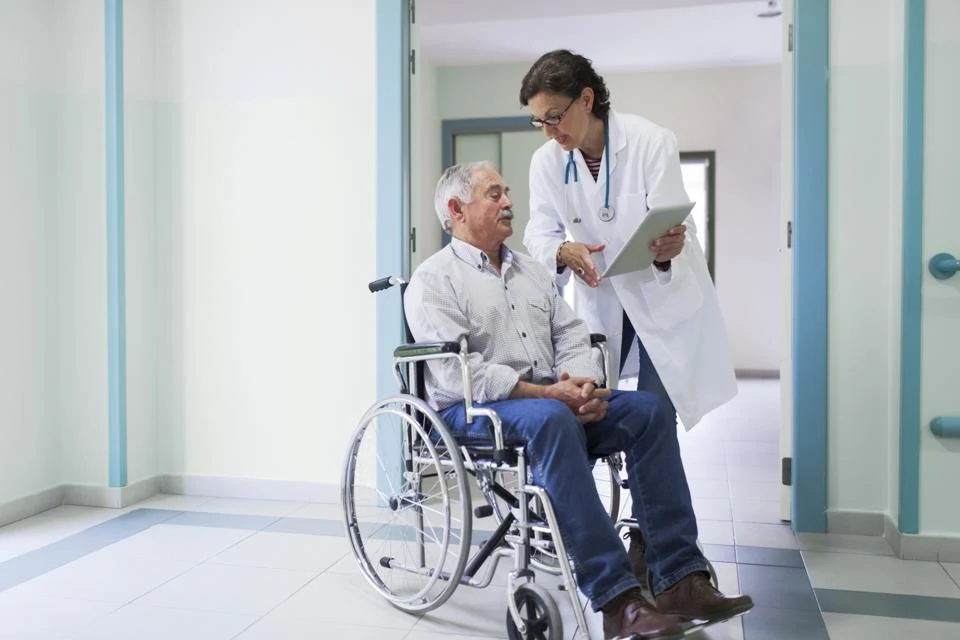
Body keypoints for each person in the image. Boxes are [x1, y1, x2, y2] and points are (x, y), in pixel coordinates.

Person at [404, 161, 753, 640]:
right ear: (456, 209)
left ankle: (679, 578)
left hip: (553, 404)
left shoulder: (530, 270)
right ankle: (616, 599)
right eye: (494, 194)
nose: (509, 202)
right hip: (473, 412)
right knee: (552, 419)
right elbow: (457, 371)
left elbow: (572, 336)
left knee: (649, 412)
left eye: (507, 191)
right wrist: (550, 394)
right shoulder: (433, 280)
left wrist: (583, 384)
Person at [519, 49, 739, 587]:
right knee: (624, 421)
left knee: (657, 421)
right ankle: (656, 551)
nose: (549, 132)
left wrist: (665, 247)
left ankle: (664, 554)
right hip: (602, 302)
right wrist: (559, 253)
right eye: (538, 121)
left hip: (662, 300)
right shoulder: (547, 163)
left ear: (586, 100)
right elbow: (539, 233)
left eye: (555, 116)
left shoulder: (648, 141)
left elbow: (670, 224)